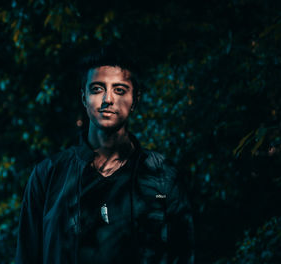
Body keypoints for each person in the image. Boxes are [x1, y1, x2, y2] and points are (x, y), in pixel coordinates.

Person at [15, 47, 195, 264]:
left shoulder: (164, 179)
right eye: (98, 89)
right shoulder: (48, 175)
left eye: (119, 90)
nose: (108, 99)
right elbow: (27, 256)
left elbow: (183, 255)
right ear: (84, 97)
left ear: (135, 99)